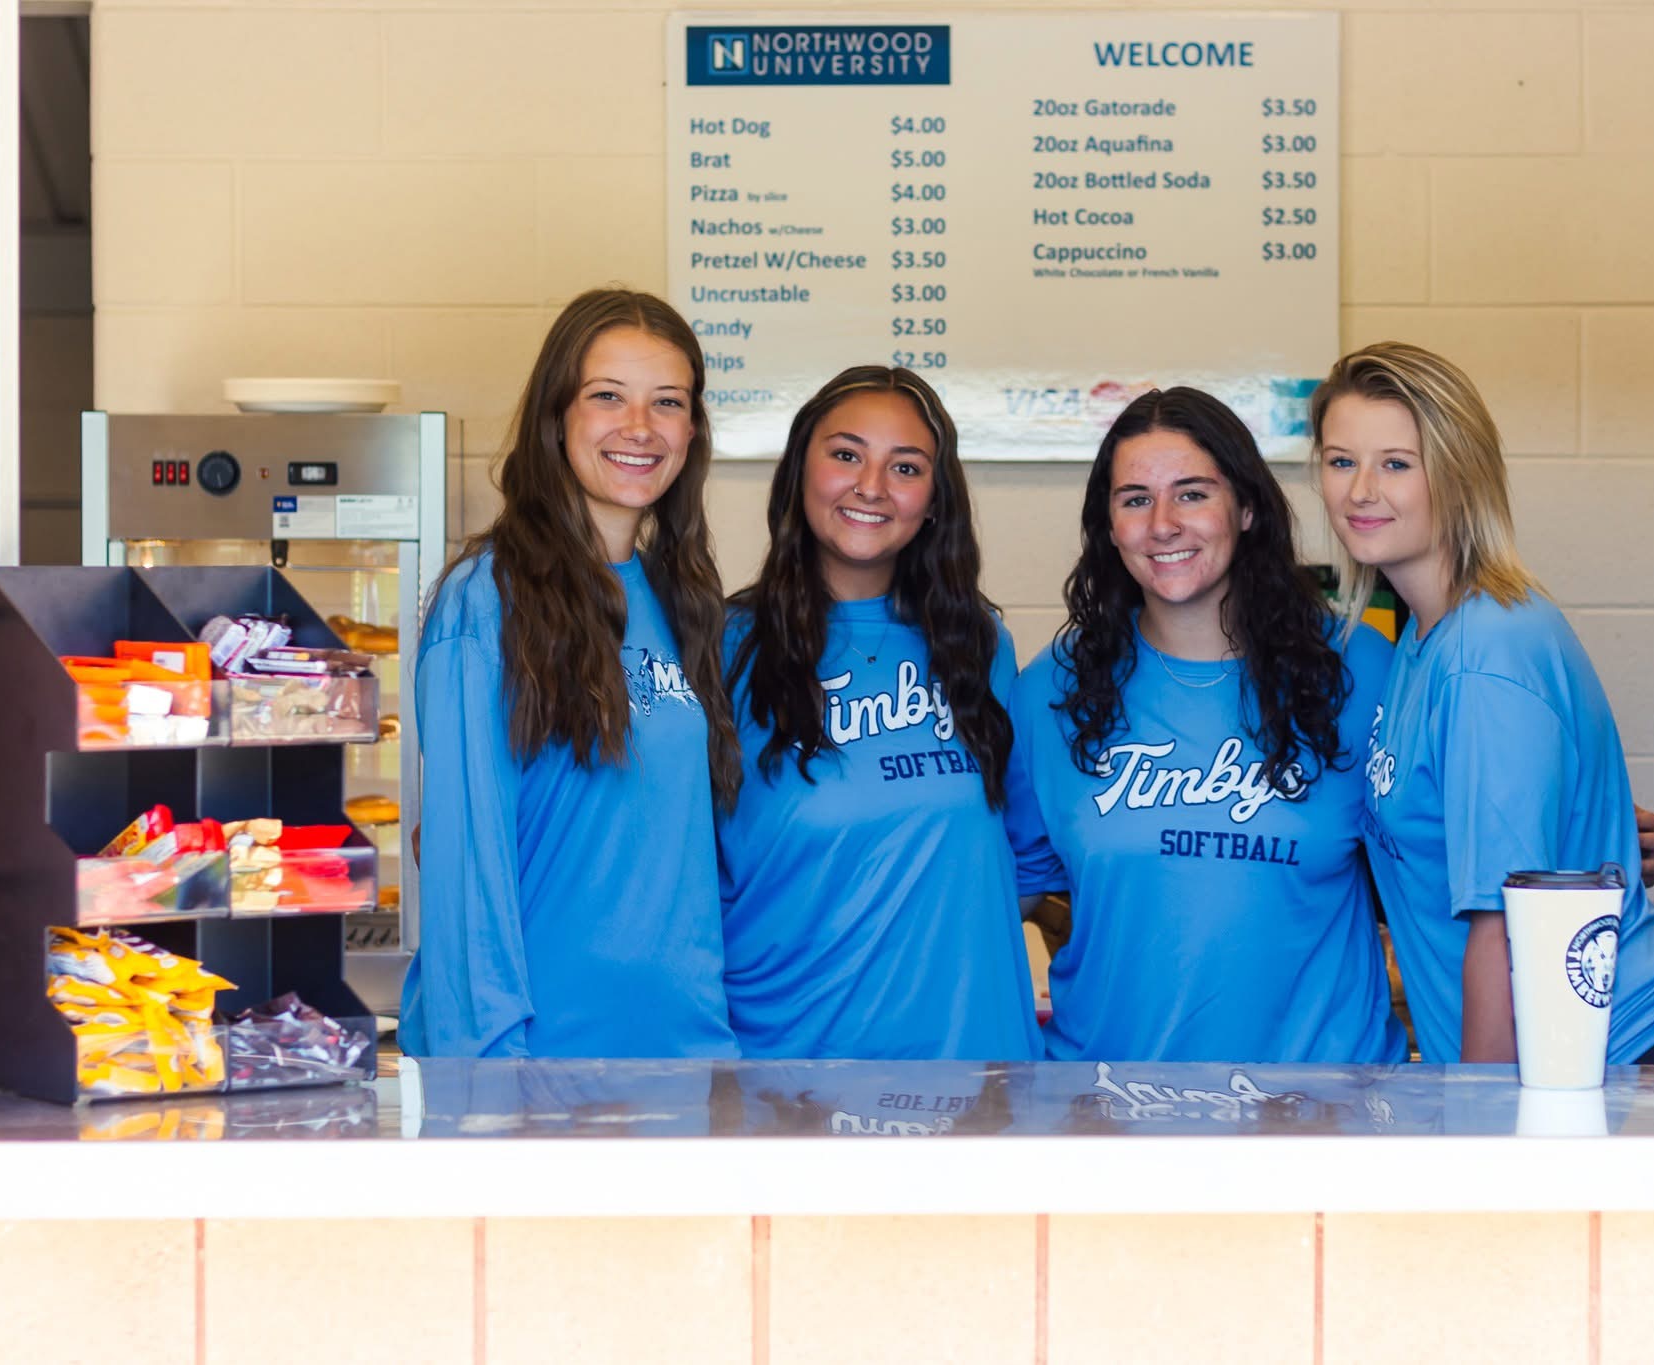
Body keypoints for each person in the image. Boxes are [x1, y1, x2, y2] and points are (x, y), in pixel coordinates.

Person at [1006, 387, 1407, 1064]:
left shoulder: (1360, 670)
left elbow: (1449, 842)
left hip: (1321, 1115)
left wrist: (1583, 829)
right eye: (1135, 499)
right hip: (1110, 1109)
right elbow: (997, 884)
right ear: (1109, 525)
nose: (1163, 523)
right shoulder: (1053, 689)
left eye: (1192, 493)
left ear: (1246, 508)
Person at [1312, 341, 1654, 1066]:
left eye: (1396, 463)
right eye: (1340, 460)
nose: (1360, 491)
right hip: (1541, 1056)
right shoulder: (1423, 639)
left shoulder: (1486, 650)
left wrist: (1486, 1138)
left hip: (1592, 1062)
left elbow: (1508, 926)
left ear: (1458, 474)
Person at [400, 288, 740, 1058]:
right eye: (608, 396)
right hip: (542, 1071)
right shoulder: (486, 599)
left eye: (668, 403)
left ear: (692, 429)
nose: (640, 428)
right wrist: (489, 1086)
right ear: (558, 416)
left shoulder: (680, 599)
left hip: (683, 1057)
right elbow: (463, 879)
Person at [716, 366, 1041, 1059]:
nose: (871, 486)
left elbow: (1016, 862)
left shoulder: (980, 646)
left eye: (905, 466)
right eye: (845, 454)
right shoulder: (725, 647)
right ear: (799, 470)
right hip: (789, 1073)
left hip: (971, 1071)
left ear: (934, 499)